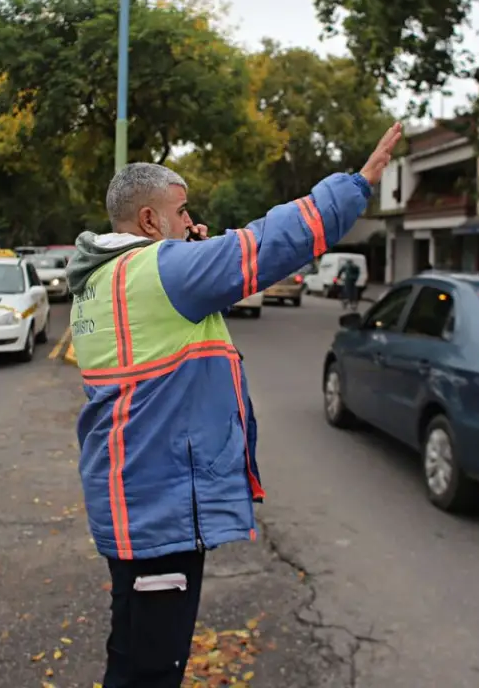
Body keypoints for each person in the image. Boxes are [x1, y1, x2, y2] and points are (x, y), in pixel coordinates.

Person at [66, 123, 403, 688]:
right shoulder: (161, 271)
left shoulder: (102, 280)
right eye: (181, 212)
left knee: (133, 650)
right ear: (150, 221)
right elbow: (266, 243)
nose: (189, 223)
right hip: (159, 512)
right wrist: (356, 184)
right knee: (152, 670)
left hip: (130, 500)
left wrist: (187, 251)